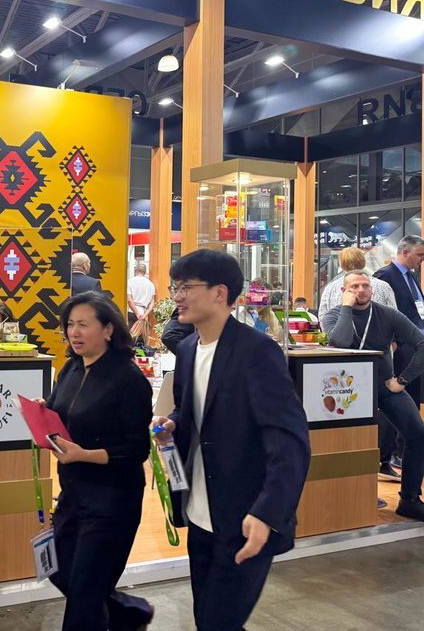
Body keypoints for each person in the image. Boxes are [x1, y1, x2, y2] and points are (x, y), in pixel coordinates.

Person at [153, 249, 310, 631]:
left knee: (216, 621)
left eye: (186, 287)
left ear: (220, 293)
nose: (178, 296)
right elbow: (193, 412)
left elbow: (289, 441)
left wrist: (268, 512)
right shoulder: (188, 349)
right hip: (199, 511)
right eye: (175, 288)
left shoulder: (257, 352)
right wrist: (173, 423)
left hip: (244, 516)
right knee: (207, 618)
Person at [42, 291, 154, 631]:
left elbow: (137, 448)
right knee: (59, 569)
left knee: (85, 595)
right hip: (73, 493)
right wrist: (41, 414)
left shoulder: (128, 379)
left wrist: (84, 454)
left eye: (83, 325)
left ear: (108, 330)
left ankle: (114, 614)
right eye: (70, 325)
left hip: (113, 499)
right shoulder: (71, 368)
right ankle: (127, 613)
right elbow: (59, 412)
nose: (74, 332)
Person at [322, 270, 424, 522]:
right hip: (347, 390)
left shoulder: (387, 314)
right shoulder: (334, 315)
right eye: (354, 286)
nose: (361, 290)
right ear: (344, 291)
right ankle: (353, 495)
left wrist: (402, 380)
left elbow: (421, 343)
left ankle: (409, 499)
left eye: (365, 285)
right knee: (353, 443)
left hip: (384, 386)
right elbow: (340, 341)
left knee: (418, 433)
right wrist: (347, 307)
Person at [373, 236, 424, 476]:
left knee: (412, 401)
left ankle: (406, 453)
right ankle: (389, 453)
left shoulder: (411, 278)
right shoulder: (385, 277)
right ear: (404, 252)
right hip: (399, 349)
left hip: (416, 348)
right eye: (419, 255)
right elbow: (383, 313)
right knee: (397, 401)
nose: (421, 260)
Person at [318, 247, 396, 323]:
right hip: (378, 330)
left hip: (339, 330)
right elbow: (393, 314)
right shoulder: (383, 286)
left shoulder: (330, 288)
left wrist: (331, 330)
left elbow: (322, 315)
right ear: (364, 262)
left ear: (341, 264)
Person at [127, 262, 156, 340]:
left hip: (132, 311)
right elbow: (152, 303)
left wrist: (137, 313)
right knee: (142, 337)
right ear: (145, 272)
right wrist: (144, 315)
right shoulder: (151, 284)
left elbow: (129, 300)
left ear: (135, 271)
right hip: (144, 312)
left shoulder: (130, 282)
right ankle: (140, 348)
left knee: (131, 336)